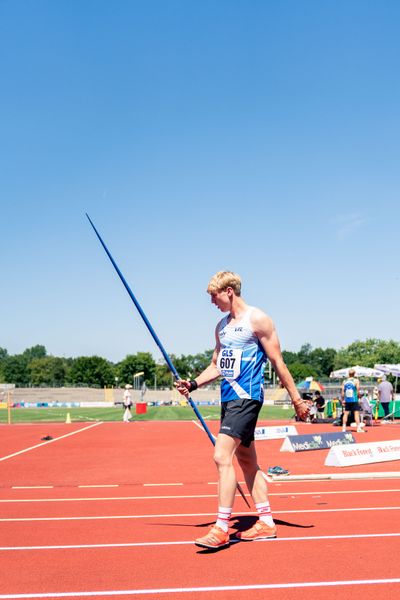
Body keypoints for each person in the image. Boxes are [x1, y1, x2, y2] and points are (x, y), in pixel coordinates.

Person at [175, 271, 310, 550]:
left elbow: (278, 362)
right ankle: (266, 523)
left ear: (229, 291)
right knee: (247, 462)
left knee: (221, 455)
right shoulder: (222, 327)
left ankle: (221, 528)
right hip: (229, 399)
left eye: (214, 296)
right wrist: (193, 383)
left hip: (247, 397)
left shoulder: (257, 319)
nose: (212, 302)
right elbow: (217, 365)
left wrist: (296, 399)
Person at [341, 369, 364, 433]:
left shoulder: (344, 381)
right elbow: (357, 390)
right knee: (356, 413)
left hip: (347, 399)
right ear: (354, 374)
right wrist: (359, 397)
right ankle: (358, 428)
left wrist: (343, 400)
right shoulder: (356, 380)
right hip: (354, 399)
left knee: (345, 413)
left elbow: (342, 392)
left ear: (348, 374)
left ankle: (344, 427)